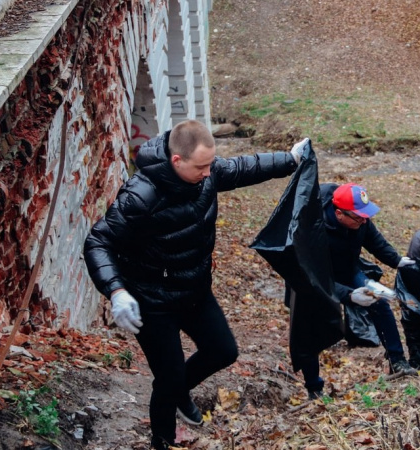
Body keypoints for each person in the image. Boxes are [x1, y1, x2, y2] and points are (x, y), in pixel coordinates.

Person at [84, 120, 307, 450]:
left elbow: (244, 168)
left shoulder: (208, 172)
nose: (208, 173)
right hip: (153, 301)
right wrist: (116, 291)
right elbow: (97, 243)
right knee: (168, 378)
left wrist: (290, 159)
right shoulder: (140, 196)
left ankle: (178, 390)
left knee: (224, 351)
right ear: (177, 161)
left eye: (210, 164)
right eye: (201, 167)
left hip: (194, 290)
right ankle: (162, 440)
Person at [294, 182, 418, 399]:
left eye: (365, 216)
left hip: (347, 270)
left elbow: (375, 241)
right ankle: (314, 388)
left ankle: (397, 361)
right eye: (358, 217)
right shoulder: (314, 228)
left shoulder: (361, 222)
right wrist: (349, 296)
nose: (364, 221)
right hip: (311, 279)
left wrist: (396, 261)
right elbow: (315, 277)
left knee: (379, 302)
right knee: (308, 329)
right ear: (339, 214)